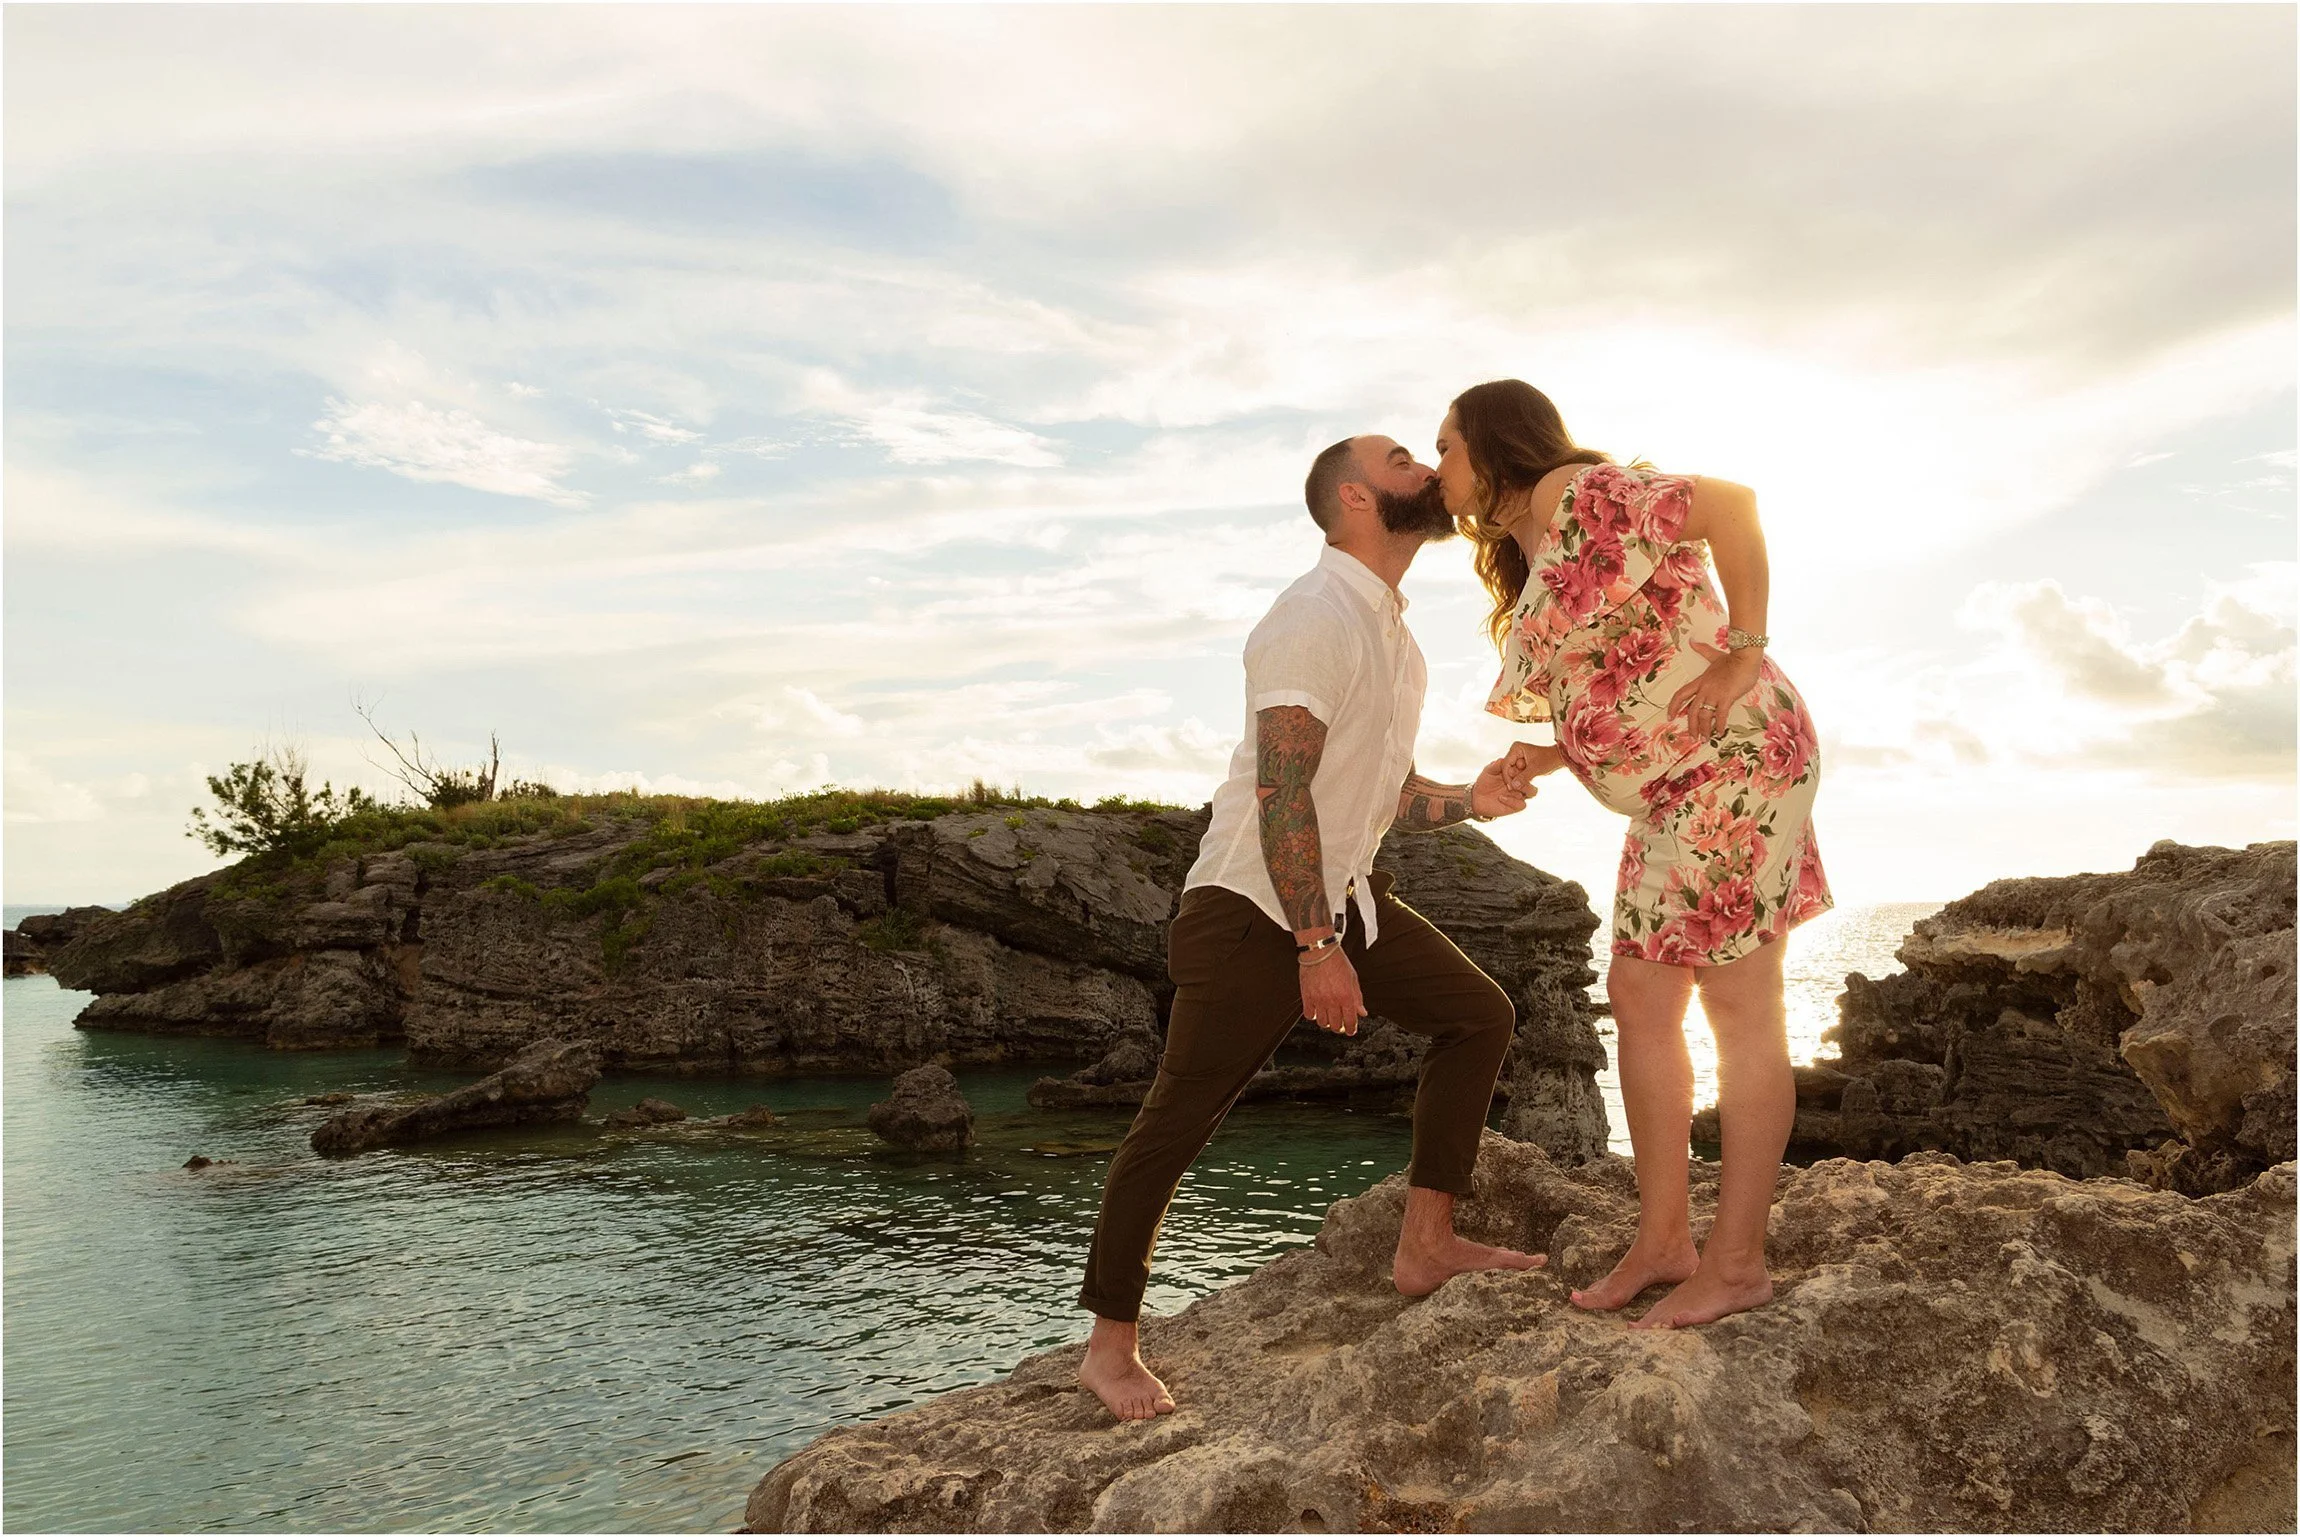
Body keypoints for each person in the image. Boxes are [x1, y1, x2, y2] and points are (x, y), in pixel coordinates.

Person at [1074, 433, 1548, 1422]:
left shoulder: (1396, 639)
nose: (1425, 467)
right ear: (1353, 495)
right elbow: (1280, 784)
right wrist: (1314, 946)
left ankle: (1425, 1240)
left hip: (1340, 900)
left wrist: (1470, 797)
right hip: (1253, 914)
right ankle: (1108, 1349)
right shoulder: (1309, 615)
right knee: (1173, 1128)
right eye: (1400, 457)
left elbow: (1375, 791)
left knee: (1478, 1015)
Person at [1437, 378, 1833, 1331]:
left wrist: (1746, 649)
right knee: (1642, 996)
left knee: (1737, 1004)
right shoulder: (1534, 537)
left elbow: (1731, 504)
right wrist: (1556, 748)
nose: (1438, 464)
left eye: (1446, 445)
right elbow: (1634, 673)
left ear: (1495, 447)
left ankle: (1736, 1261)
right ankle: (1666, 1239)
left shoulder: (1581, 493)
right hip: (1682, 781)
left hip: (1731, 764)